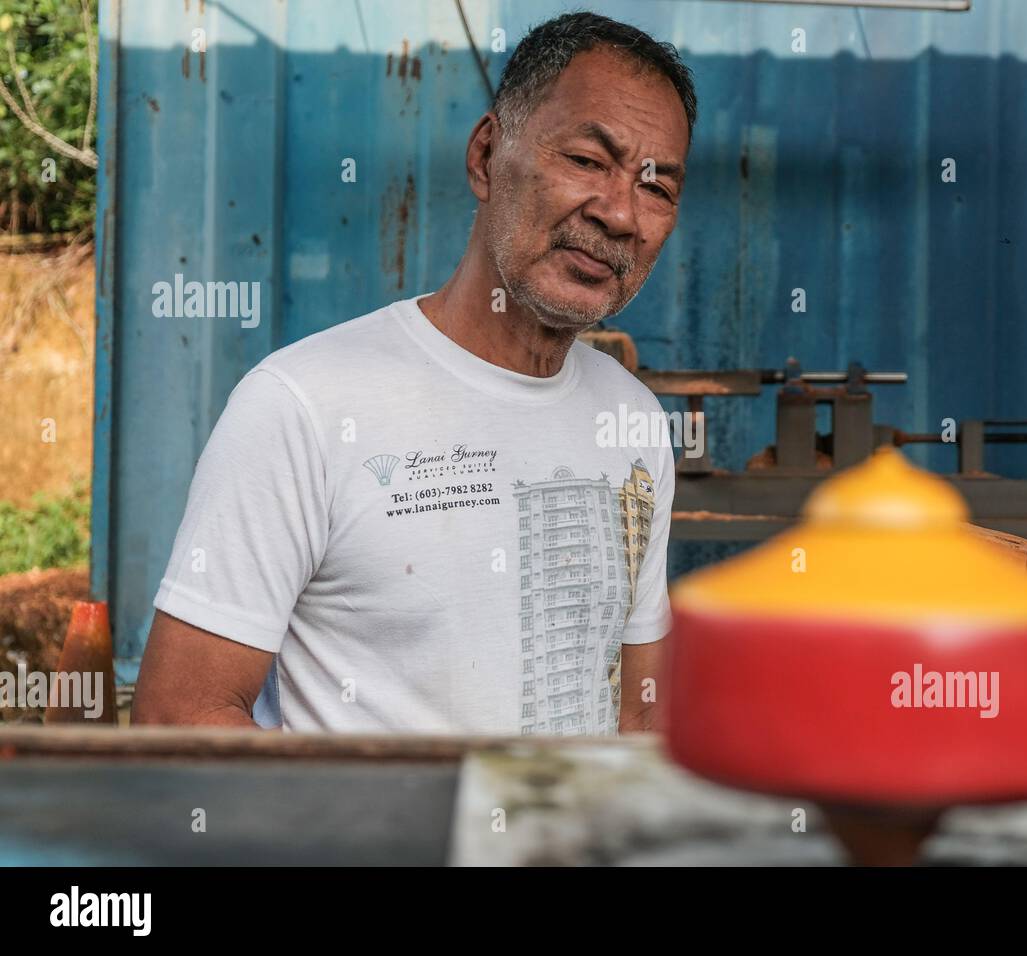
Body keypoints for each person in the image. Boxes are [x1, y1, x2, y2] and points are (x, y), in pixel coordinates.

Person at [132, 11, 696, 735]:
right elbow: (179, 714)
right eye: (587, 161)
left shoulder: (634, 420)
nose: (620, 213)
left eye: (656, 187)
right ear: (487, 155)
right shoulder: (301, 405)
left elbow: (639, 714)